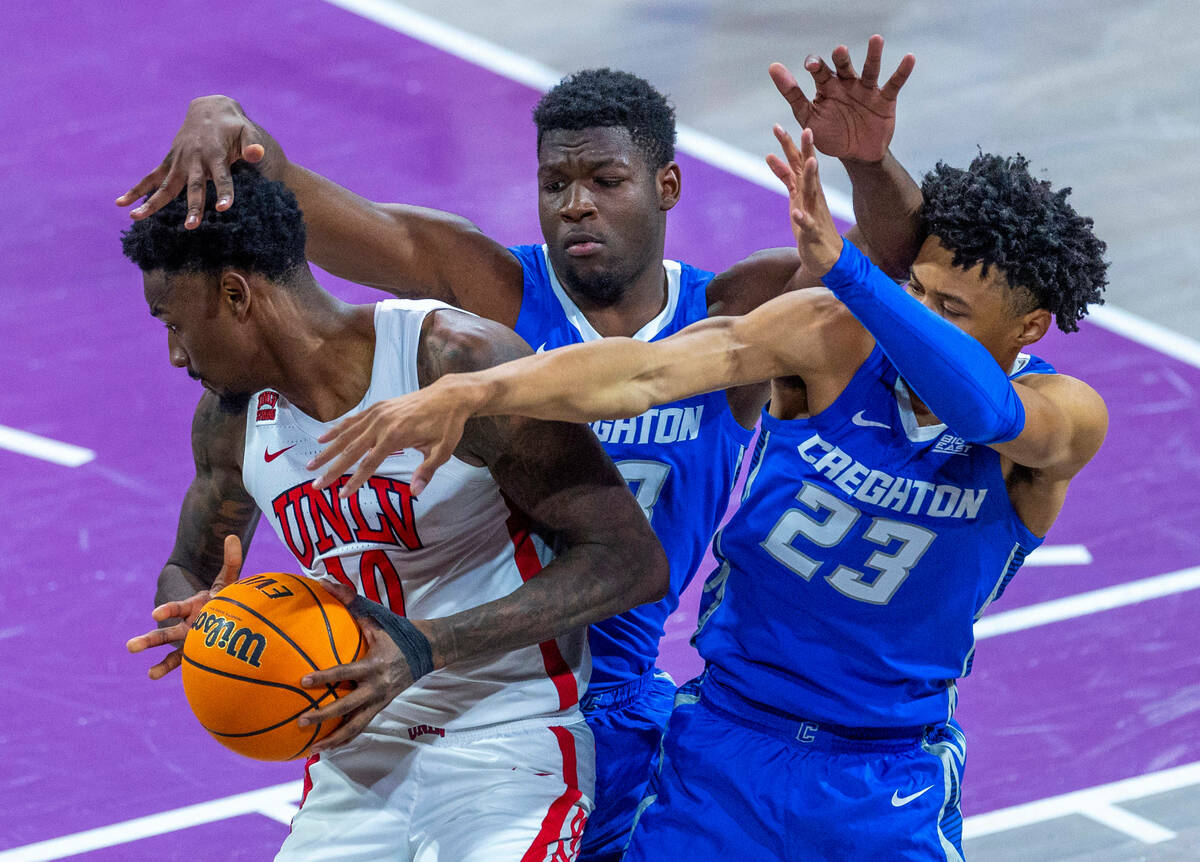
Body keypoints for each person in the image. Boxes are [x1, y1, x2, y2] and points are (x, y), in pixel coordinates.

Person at [117, 39, 919, 861]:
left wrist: (872, 164)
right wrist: (218, 117)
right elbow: (298, 208)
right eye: (554, 184)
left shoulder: (729, 322)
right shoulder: (488, 294)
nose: (576, 205)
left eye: (604, 182)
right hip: (420, 687)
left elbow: (887, 278)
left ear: (665, 185)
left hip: (600, 696)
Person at [305, 121, 1110, 860]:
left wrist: (860, 278)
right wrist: (482, 391)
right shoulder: (834, 343)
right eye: (917, 292)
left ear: (1030, 329)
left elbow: (983, 408)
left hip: (883, 778)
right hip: (724, 745)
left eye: (952, 310)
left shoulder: (1062, 418)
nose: (918, 318)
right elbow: (644, 368)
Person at [122, 164, 669, 862]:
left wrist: (423, 647)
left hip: (506, 745)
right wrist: (200, 615)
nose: (173, 355)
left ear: (235, 295)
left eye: (174, 323)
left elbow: (630, 561)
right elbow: (185, 566)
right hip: (355, 756)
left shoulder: (452, 363)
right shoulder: (231, 422)